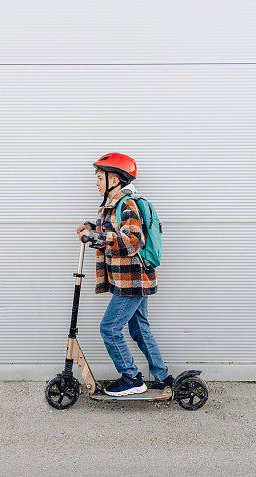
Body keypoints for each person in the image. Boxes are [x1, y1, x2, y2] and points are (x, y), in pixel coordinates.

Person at [76, 152, 174, 396]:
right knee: (139, 329)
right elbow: (109, 229)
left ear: (115, 180)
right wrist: (91, 228)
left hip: (132, 282)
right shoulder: (112, 206)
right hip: (134, 280)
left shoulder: (126, 204)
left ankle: (131, 378)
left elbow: (132, 240)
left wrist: (97, 237)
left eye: (100, 178)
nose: (96, 183)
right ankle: (163, 378)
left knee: (109, 329)